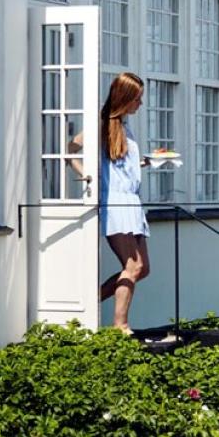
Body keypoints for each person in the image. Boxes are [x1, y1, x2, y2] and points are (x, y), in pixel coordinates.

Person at [72, 72, 155, 335]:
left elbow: (119, 165)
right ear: (126, 98)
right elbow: (70, 149)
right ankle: (120, 325)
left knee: (142, 269)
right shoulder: (102, 123)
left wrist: (144, 163)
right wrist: (86, 175)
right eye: (137, 99)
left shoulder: (124, 125)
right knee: (133, 266)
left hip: (131, 203)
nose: (140, 104)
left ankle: (90, 299)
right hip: (117, 205)